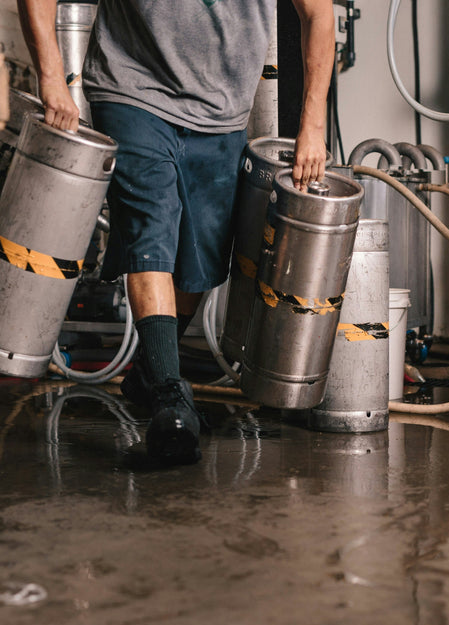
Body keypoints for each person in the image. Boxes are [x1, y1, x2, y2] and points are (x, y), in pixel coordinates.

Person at [17, 0, 335, 465]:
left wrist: (313, 124)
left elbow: (319, 14)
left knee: (201, 260)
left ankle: (151, 369)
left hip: (223, 112)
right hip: (132, 88)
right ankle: (170, 396)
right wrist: (51, 76)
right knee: (152, 233)